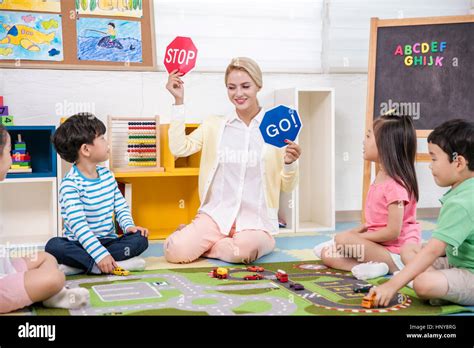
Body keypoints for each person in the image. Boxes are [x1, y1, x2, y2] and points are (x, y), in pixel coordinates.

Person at [164, 57, 301, 264]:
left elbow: (287, 186)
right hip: (217, 215)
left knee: (243, 252)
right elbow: (179, 148)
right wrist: (178, 102)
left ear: (258, 86)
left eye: (245, 86)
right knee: (174, 252)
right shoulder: (215, 125)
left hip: (254, 221)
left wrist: (290, 163)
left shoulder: (276, 128)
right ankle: (216, 241)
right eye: (231, 87)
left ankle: (220, 244)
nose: (238, 93)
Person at [369, 119, 474, 307]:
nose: (430, 165)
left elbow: (435, 250)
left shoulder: (462, 203)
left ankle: (441, 288)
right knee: (409, 249)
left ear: (458, 162)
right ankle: (444, 288)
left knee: (423, 283)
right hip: (457, 260)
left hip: (470, 272)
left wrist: (391, 286)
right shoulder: (465, 190)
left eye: (434, 158)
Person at [319, 115, 421, 280]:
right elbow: (375, 223)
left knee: (344, 240)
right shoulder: (382, 176)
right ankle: (372, 268)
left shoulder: (395, 186)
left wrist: (354, 238)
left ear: (385, 145)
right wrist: (354, 233)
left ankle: (387, 267)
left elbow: (392, 232)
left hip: (396, 253)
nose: (363, 141)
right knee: (328, 254)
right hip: (380, 248)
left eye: (368, 136)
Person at [0, 125, 89, 313]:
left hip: (4, 268)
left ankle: (48, 293)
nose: (12, 159)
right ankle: (51, 291)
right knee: (55, 278)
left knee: (46, 257)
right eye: (9, 152)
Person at [45, 113, 149, 275]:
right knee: (54, 246)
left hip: (109, 241)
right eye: (102, 138)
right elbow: (79, 227)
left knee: (140, 239)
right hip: (80, 243)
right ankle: (111, 264)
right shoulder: (70, 185)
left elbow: (120, 206)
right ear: (86, 149)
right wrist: (99, 254)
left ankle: (81, 266)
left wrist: (129, 226)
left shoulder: (108, 175)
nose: (107, 142)